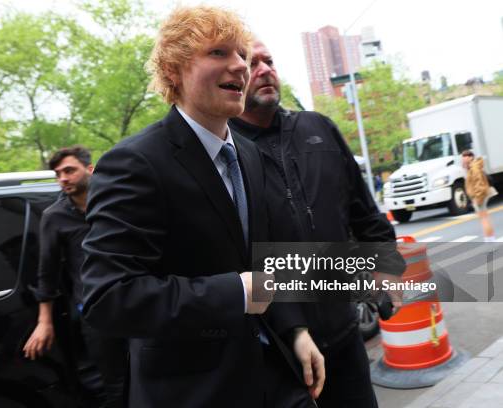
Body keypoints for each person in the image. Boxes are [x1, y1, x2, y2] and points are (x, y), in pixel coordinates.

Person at [80, 7, 316, 408]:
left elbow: (265, 262)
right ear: (174, 70)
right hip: (193, 393)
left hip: (277, 379)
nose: (241, 66)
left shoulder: (250, 155)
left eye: (241, 54)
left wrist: (296, 330)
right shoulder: (134, 162)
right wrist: (234, 292)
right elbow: (108, 298)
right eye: (219, 53)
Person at [229, 39, 403, 408]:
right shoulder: (226, 153)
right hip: (279, 353)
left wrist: (386, 269)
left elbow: (365, 214)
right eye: (252, 62)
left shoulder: (318, 128)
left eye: (269, 60)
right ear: (235, 74)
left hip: (344, 336)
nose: (264, 70)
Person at [23, 146, 126, 408]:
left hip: (135, 299)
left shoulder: (116, 203)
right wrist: (44, 322)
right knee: (115, 386)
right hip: (96, 312)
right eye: (58, 174)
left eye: (69, 170)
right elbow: (47, 272)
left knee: (150, 372)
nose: (63, 178)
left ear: (90, 169)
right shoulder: (54, 217)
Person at [462, 150, 497, 242]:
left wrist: (478, 199)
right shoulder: (472, 167)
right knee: (485, 218)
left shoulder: (474, 167)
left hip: (479, 196)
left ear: (471, 157)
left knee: (484, 219)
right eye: (463, 157)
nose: (464, 159)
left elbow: (479, 184)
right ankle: (491, 238)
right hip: (480, 195)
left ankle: (489, 240)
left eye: (465, 157)